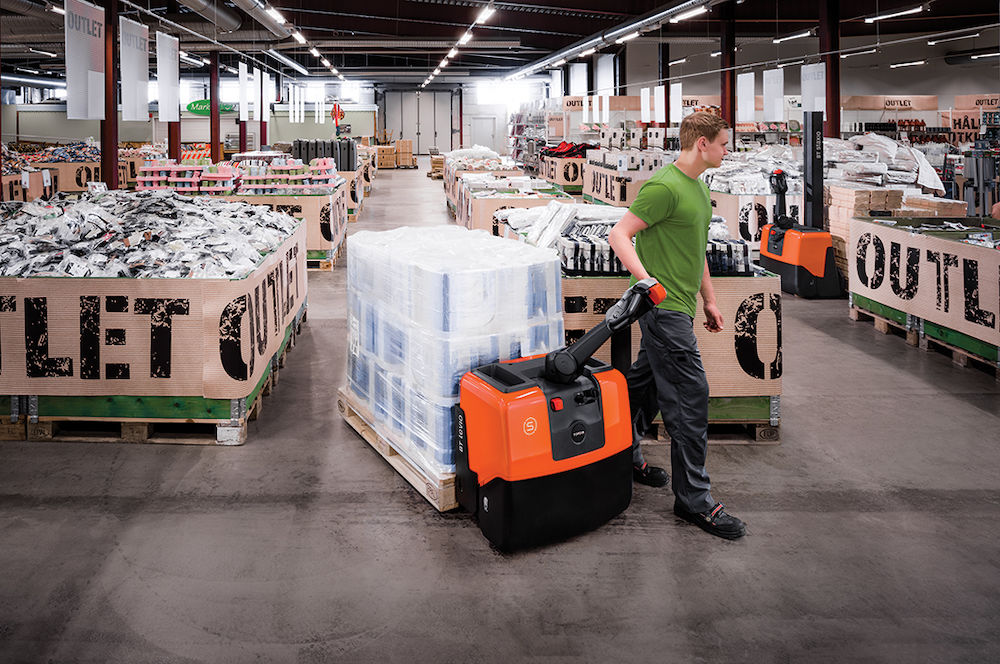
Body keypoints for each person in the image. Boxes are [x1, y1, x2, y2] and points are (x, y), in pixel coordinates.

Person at [608, 111, 746, 540]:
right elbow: (619, 235)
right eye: (723, 143)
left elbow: (695, 248)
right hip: (663, 310)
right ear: (702, 143)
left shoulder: (699, 189)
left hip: (682, 307)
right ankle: (694, 501)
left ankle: (623, 455)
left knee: (643, 387)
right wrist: (647, 282)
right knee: (690, 396)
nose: (727, 151)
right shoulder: (664, 187)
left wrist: (709, 300)